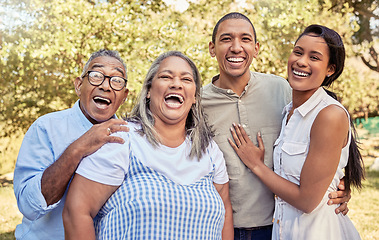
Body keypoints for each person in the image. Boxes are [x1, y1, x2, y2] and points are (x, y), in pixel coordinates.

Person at [201, 12, 351, 240]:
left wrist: (340, 186)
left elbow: (335, 149)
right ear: (212, 48)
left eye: (245, 39)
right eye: (226, 39)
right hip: (219, 227)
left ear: (256, 48)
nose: (236, 47)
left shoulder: (282, 91)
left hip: (276, 228)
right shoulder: (196, 104)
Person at [63, 51, 234, 240]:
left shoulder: (209, 150)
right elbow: (76, 212)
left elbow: (225, 210)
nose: (176, 84)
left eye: (186, 79)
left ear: (194, 97)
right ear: (149, 91)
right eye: (166, 77)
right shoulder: (122, 141)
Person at [13, 49, 130, 240]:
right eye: (96, 76)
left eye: (116, 80)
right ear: (78, 85)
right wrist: (79, 147)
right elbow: (28, 206)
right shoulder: (46, 127)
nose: (106, 86)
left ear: (124, 96)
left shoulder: (130, 137)